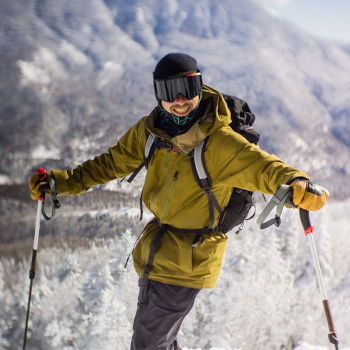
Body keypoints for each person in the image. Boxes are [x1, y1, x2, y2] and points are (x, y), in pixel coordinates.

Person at [29, 53, 329, 350]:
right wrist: (61, 182)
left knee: (148, 344)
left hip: (189, 258)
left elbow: (265, 167)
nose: (181, 99)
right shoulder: (150, 132)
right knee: (158, 341)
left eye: (189, 88)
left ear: (200, 87)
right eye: (170, 91)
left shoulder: (219, 142)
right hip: (157, 250)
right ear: (158, 94)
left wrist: (297, 184)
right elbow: (108, 164)